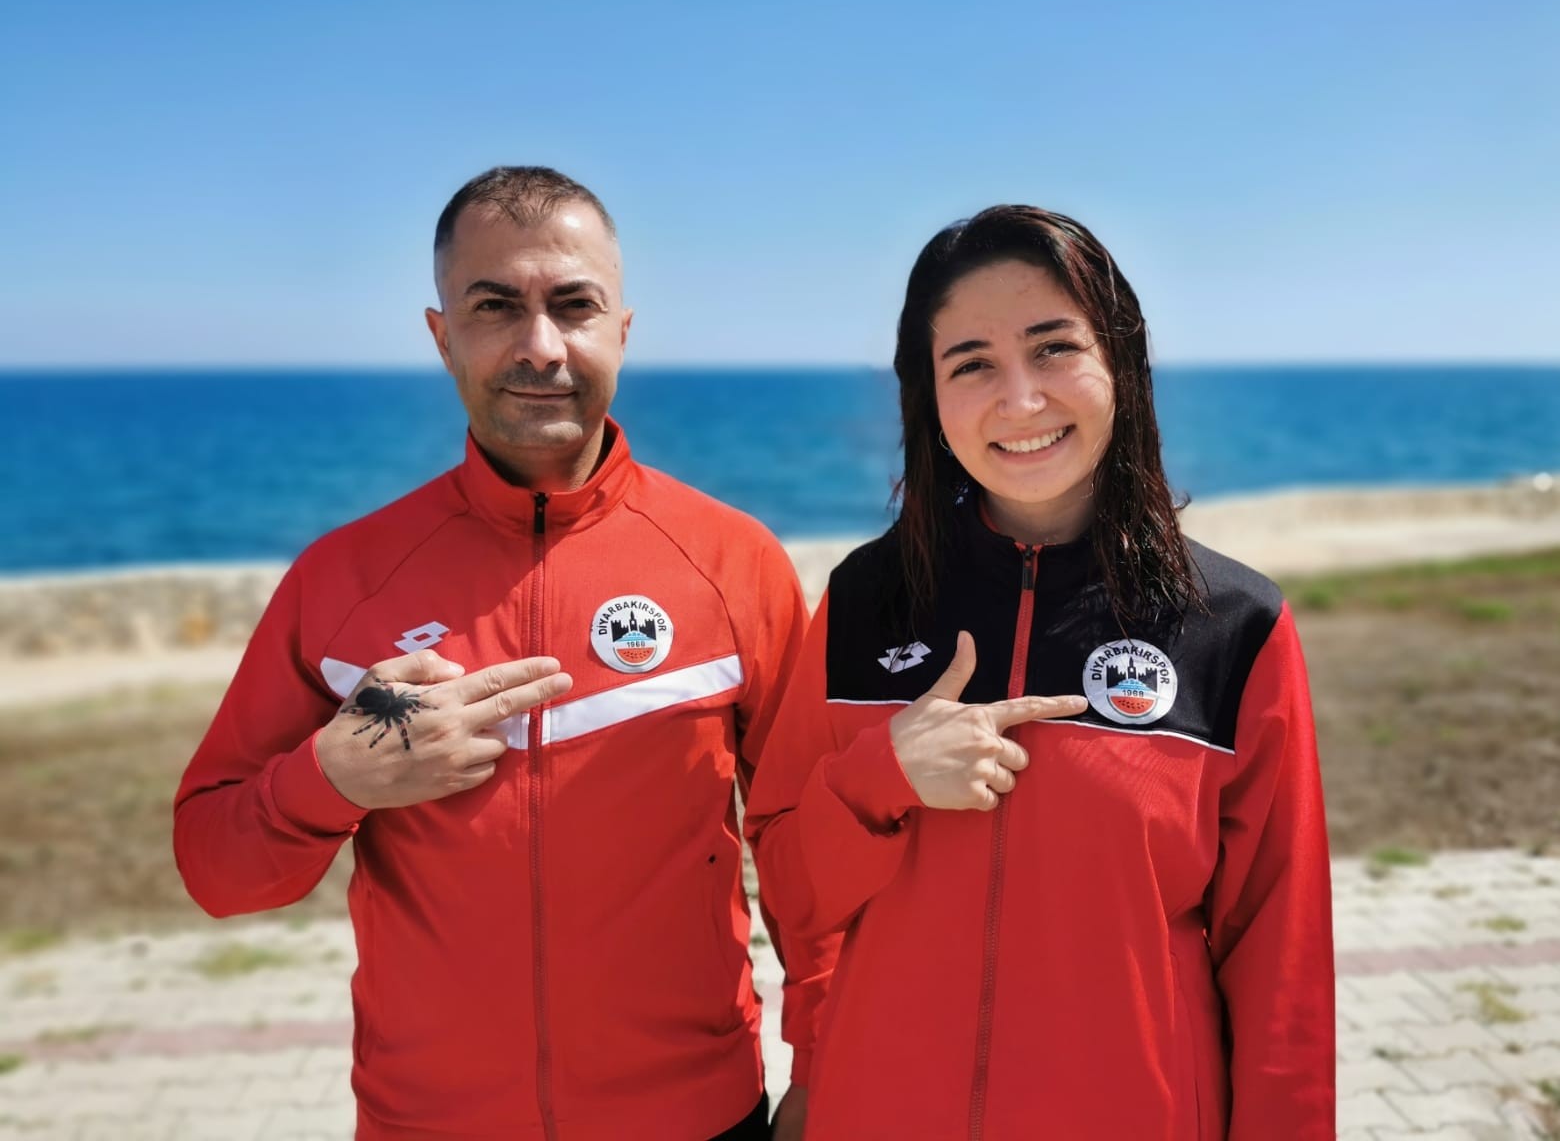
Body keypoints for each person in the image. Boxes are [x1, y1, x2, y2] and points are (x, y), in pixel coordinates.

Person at [174, 166, 830, 1140]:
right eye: (495, 307)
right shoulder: (343, 579)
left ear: (621, 329)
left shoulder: (733, 562)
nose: (540, 346)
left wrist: (823, 1068)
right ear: (442, 336)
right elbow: (216, 869)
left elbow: (809, 846)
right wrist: (331, 777)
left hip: (693, 1115)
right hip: (424, 1122)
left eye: (574, 306)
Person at [744, 205, 1335, 1138]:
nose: (1020, 400)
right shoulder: (865, 599)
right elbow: (791, 890)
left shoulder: (1234, 624)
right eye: (972, 363)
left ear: (1120, 363)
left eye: (1054, 348)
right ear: (929, 396)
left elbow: (1281, 955)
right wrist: (880, 777)